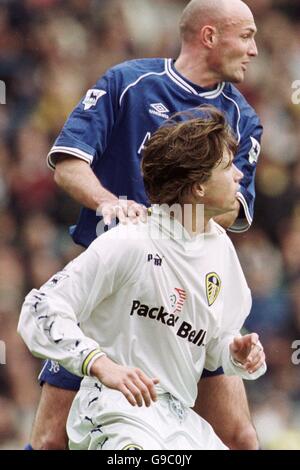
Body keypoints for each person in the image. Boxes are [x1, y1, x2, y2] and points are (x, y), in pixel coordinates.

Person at [28, 0, 263, 450]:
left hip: (190, 291)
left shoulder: (243, 118)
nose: (254, 50)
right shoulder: (128, 83)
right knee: (49, 441)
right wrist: (112, 204)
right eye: (246, 36)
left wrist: (169, 224)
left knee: (241, 437)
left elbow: (232, 210)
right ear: (209, 35)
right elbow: (69, 163)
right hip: (115, 285)